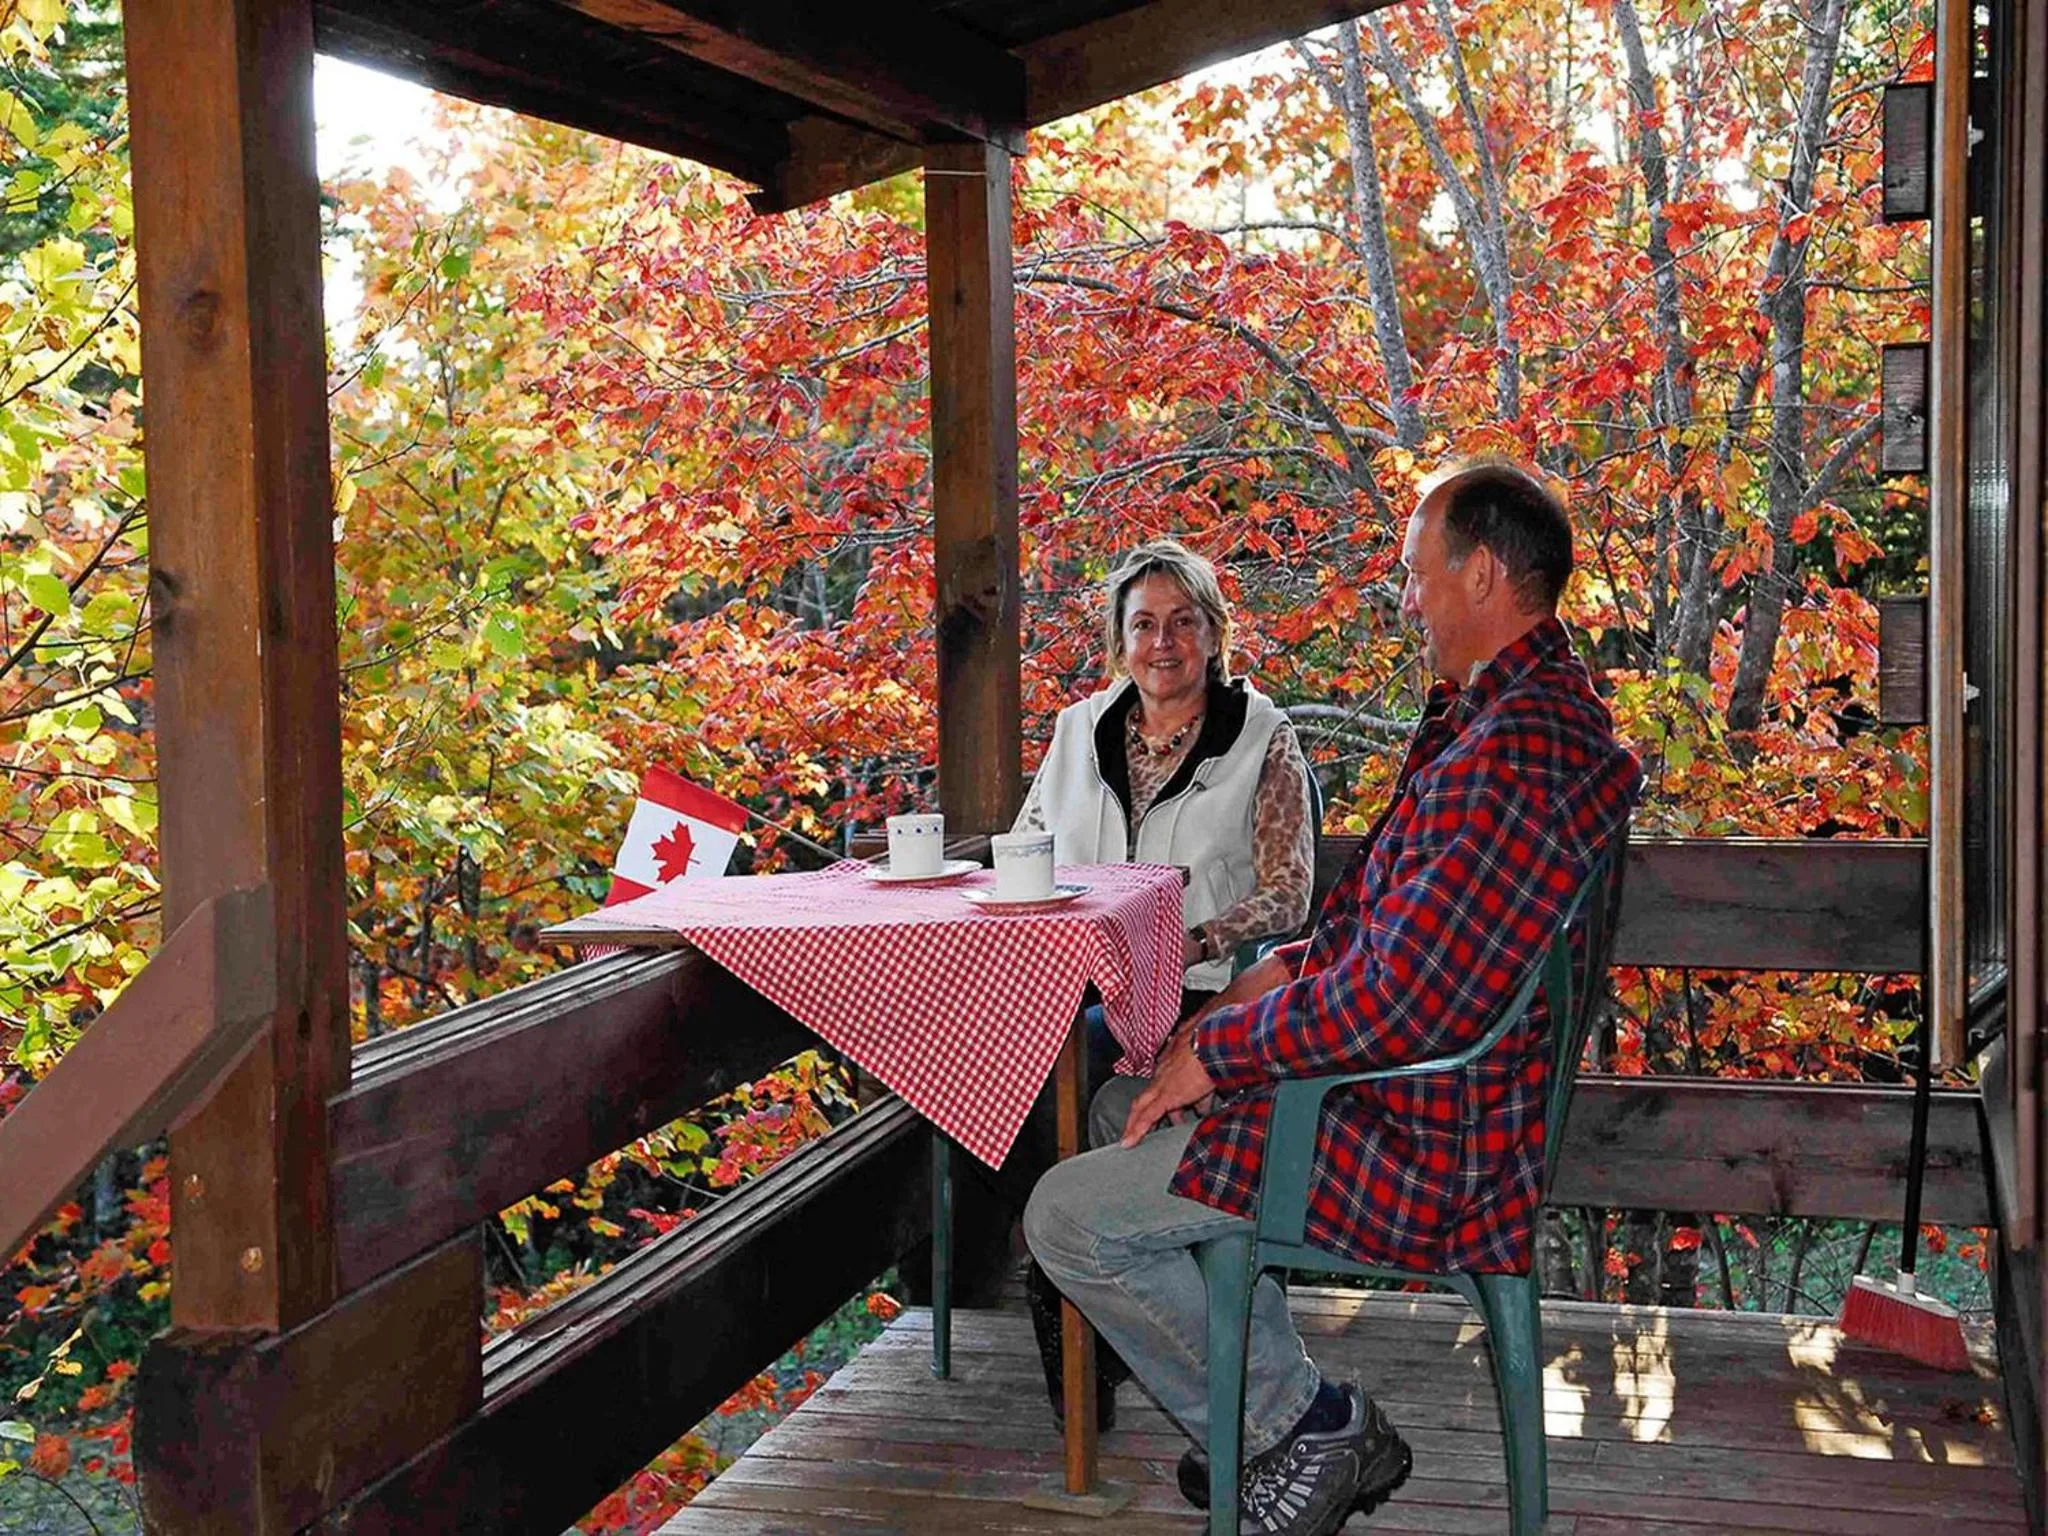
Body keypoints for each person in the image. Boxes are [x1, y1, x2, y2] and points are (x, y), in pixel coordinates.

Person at [1024, 458, 1643, 1536]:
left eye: (1414, 575)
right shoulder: (1517, 714)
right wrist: (1286, 970)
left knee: (1062, 1216)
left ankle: (1297, 1425)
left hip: (1418, 1132)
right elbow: (1401, 936)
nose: (1405, 600)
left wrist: (1222, 1050)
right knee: (1126, 1108)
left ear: (1483, 574)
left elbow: (1405, 998)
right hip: (1415, 1088)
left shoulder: (1507, 753)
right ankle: (1271, 1425)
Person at [1008, 538, 1316, 1426]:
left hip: (1201, 993)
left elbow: (1290, 891)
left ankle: (1071, 1275)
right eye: (1144, 624)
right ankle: (1067, 1281)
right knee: (1014, 1065)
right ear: (1118, 642)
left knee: (1087, 1075)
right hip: (1077, 984)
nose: (1164, 642)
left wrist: (1187, 940)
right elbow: (1027, 850)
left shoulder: (1263, 736)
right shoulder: (1077, 734)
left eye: (1184, 622)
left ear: (1215, 636)